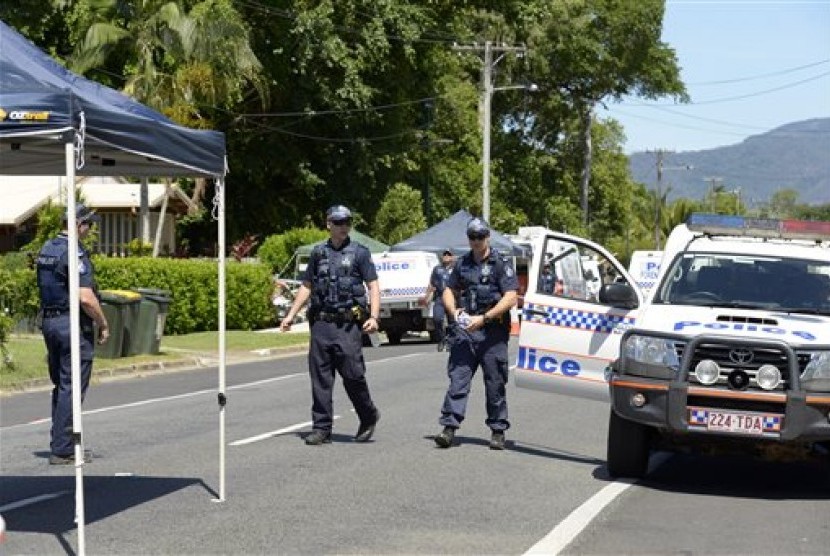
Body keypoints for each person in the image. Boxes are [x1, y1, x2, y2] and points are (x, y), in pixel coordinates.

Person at [280, 205, 381, 445]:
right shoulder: (318, 253)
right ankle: (322, 428)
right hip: (322, 325)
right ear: (328, 224)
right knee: (321, 379)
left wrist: (374, 317)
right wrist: (291, 315)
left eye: (347, 222)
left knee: (353, 375)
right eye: (338, 222)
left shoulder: (360, 253)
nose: (343, 226)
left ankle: (368, 415)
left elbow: (374, 286)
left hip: (348, 326)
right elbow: (307, 286)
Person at [434, 217, 518, 450]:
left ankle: (498, 430)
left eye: (480, 237)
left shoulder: (501, 263)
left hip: (493, 331)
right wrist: (453, 311)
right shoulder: (463, 264)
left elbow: (511, 296)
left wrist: (485, 318)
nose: (476, 241)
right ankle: (449, 428)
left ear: (487, 237)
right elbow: (449, 290)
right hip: (466, 330)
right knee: (458, 380)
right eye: (472, 237)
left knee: (495, 382)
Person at [36, 204, 110, 465]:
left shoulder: (48, 248)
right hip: (71, 325)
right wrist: (103, 323)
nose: (89, 230)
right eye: (88, 224)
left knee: (62, 385)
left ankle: (60, 442)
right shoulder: (73, 252)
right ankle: (65, 448)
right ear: (78, 224)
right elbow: (86, 298)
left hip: (50, 323)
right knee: (72, 386)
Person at [420, 249, 454, 351]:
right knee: (437, 319)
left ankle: (450, 341)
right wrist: (426, 298)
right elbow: (431, 284)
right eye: (445, 255)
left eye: (448, 255)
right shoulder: (437, 269)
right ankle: (441, 339)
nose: (446, 256)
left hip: (452, 298)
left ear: (452, 257)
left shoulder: (456, 268)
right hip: (440, 297)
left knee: (453, 321)